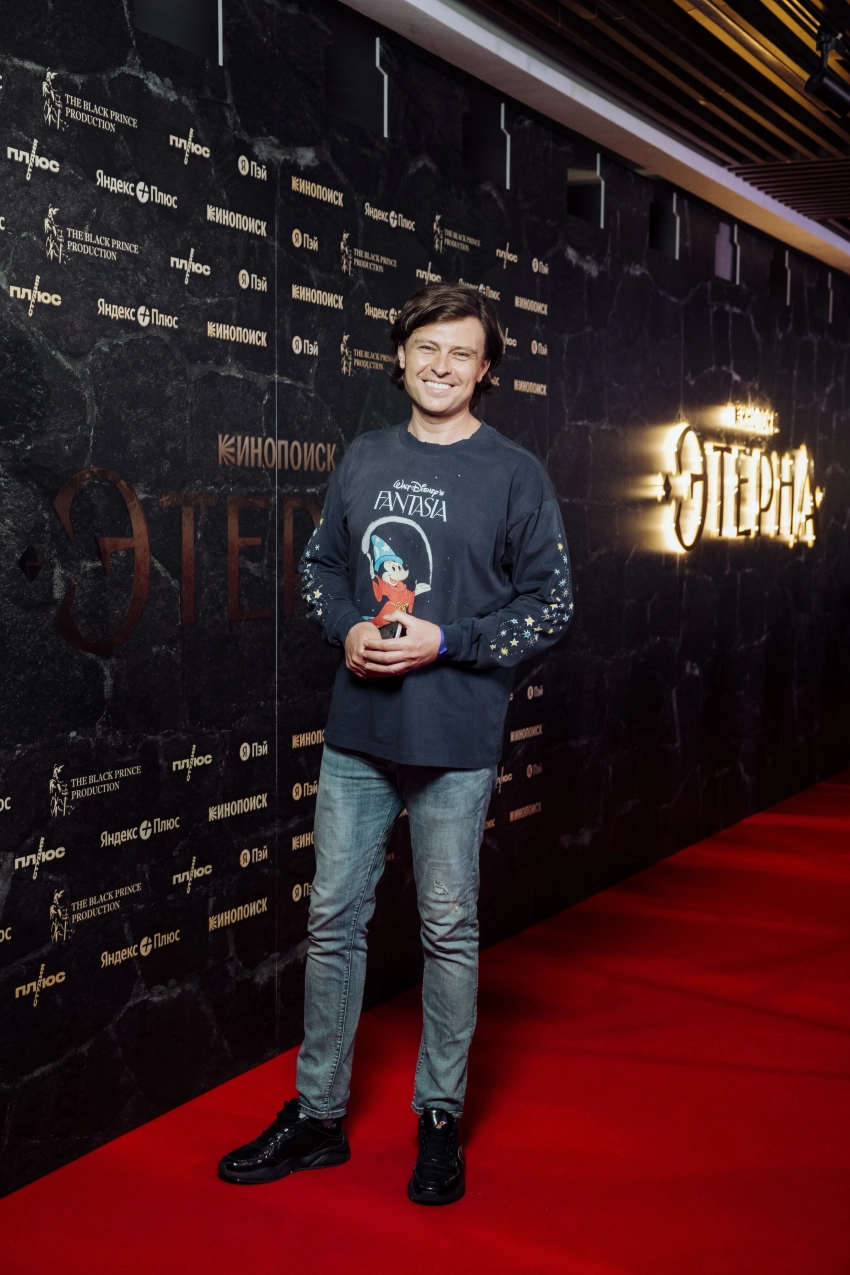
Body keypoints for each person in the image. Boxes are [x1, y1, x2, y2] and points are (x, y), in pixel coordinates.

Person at [218, 282, 573, 1204]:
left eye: (461, 352)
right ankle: (319, 1115)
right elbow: (321, 567)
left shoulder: (515, 473)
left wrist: (447, 639)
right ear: (401, 358)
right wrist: (345, 627)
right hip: (359, 734)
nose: (441, 365)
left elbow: (552, 605)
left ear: (484, 369)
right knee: (333, 920)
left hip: (455, 738)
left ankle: (440, 1117)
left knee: (447, 929)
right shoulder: (366, 455)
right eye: (426, 348)